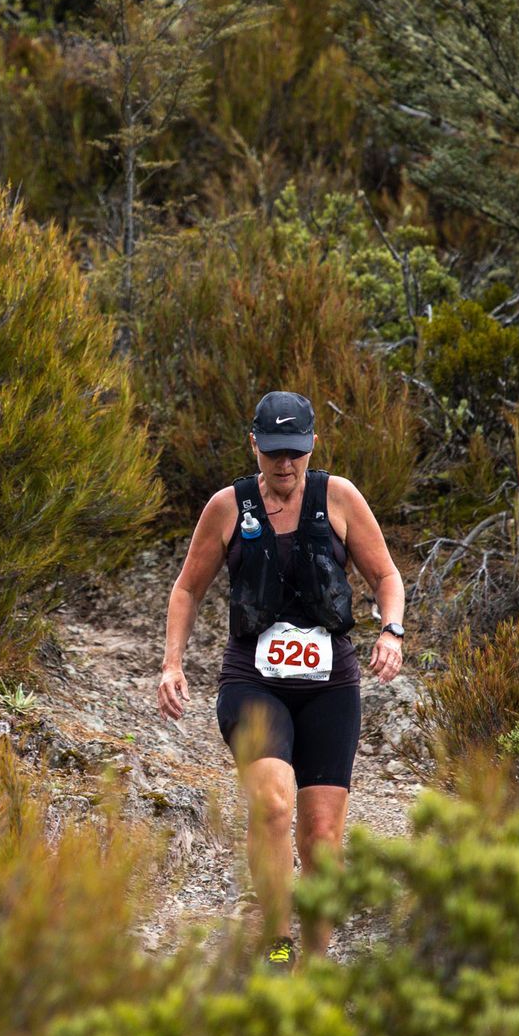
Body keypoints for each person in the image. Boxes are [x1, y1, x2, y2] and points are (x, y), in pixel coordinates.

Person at [156, 390, 406, 969]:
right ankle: (275, 944)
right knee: (272, 804)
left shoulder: (338, 498)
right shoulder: (227, 506)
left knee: (320, 839)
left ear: (313, 445)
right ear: (254, 445)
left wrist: (391, 631)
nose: (285, 464)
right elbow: (187, 590)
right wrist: (173, 663)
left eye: (295, 452)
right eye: (273, 453)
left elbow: (386, 575)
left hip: (329, 686)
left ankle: (315, 965)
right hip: (253, 680)